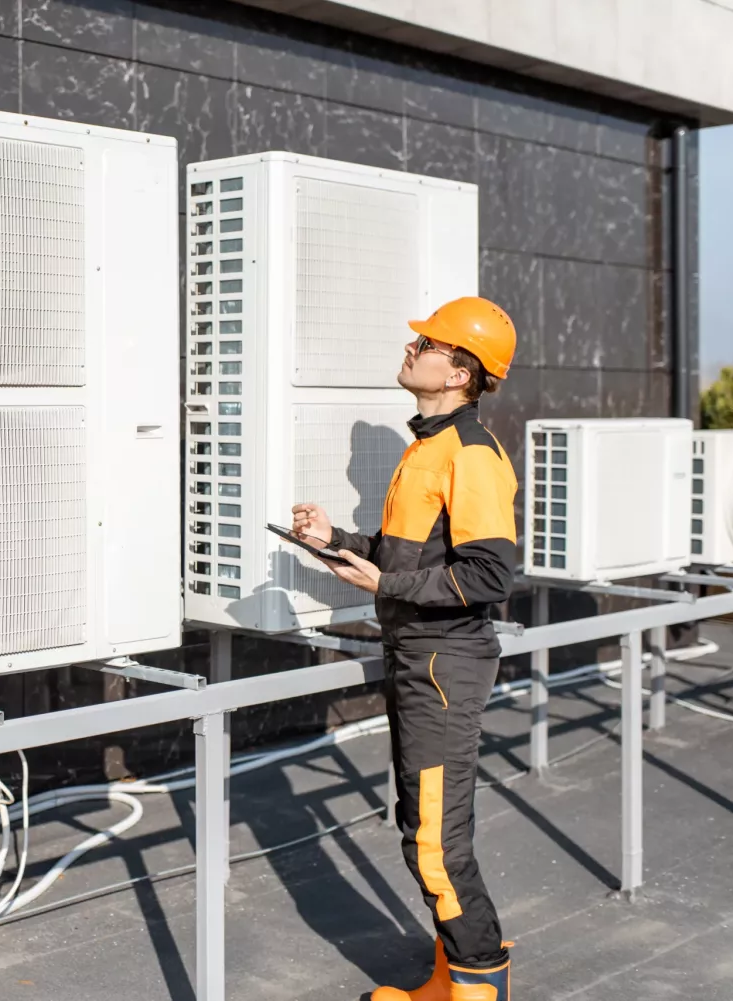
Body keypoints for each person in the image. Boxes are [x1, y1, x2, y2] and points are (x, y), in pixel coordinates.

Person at [291, 296, 519, 1001]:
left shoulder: (471, 454)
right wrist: (341, 544)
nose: (410, 346)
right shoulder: (428, 447)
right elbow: (405, 553)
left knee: (434, 839)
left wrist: (384, 577)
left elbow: (489, 573)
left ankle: (480, 984)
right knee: (424, 824)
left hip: (442, 662)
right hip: (419, 655)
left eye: (426, 342)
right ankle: (454, 977)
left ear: (459, 372)